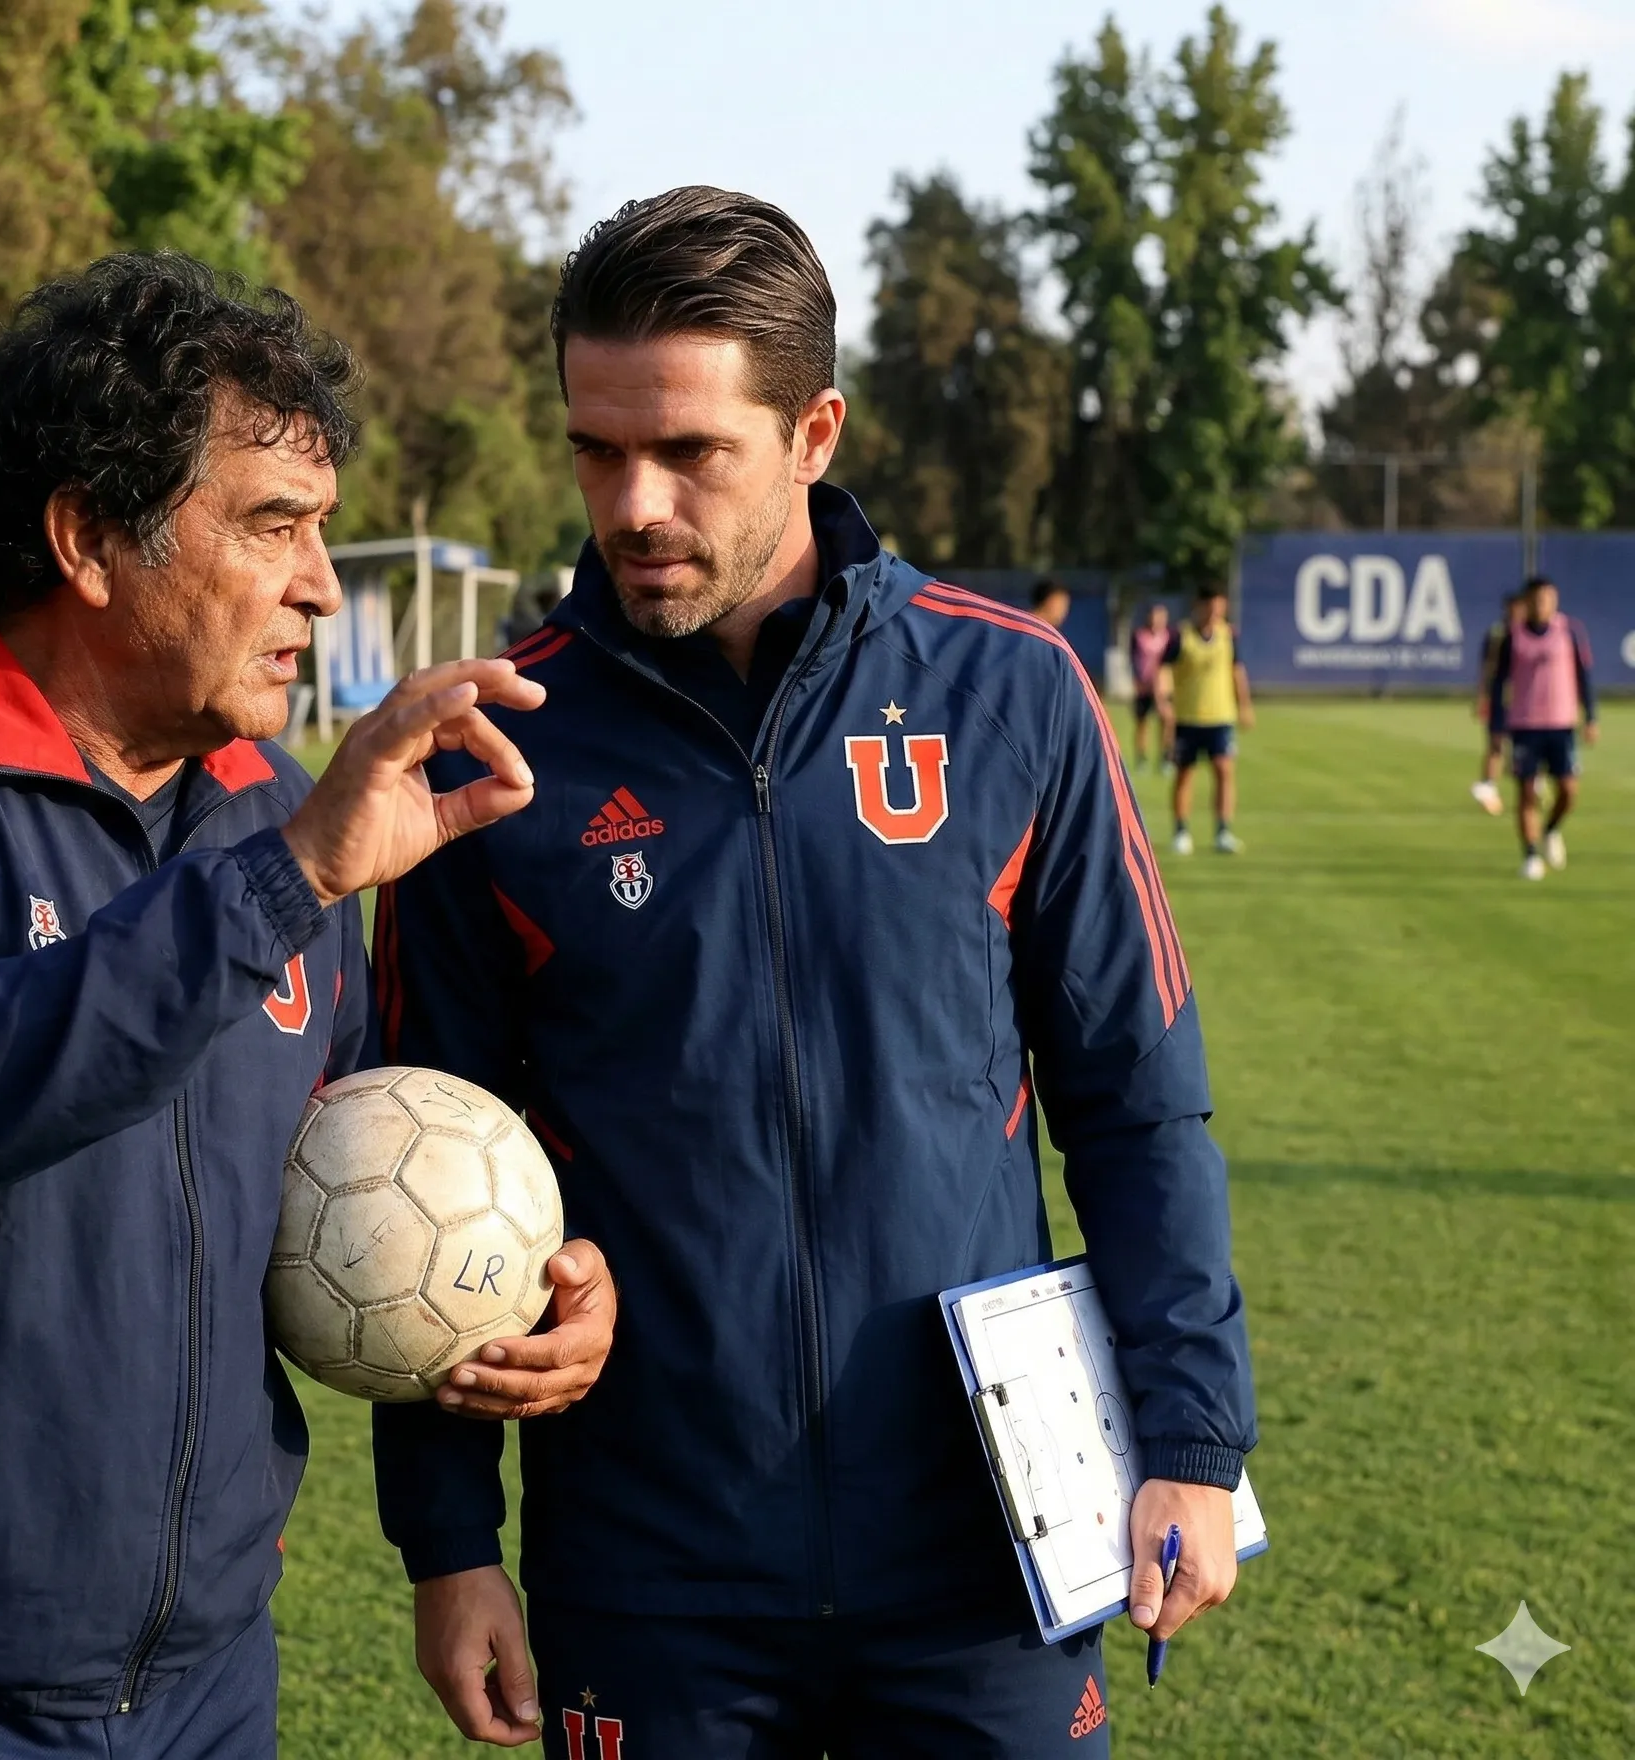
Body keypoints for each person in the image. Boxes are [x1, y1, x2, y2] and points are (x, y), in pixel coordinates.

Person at [0, 255, 615, 1760]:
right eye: (272, 526)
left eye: (324, 532)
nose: (319, 583)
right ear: (88, 537)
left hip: (201, 1683)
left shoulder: (269, 817)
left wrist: (515, 1298)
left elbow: (355, 1178)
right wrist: (292, 877)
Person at [374, 188, 1251, 1760]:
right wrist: (448, 1544)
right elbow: (413, 1174)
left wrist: (1188, 1433)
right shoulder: (494, 752)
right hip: (650, 1569)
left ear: (814, 432)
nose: (633, 503)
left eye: (691, 451)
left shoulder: (1012, 693)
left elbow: (1137, 1108)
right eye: (596, 448)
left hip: (985, 1558)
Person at [1488, 574, 1596, 879]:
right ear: (1528, 602)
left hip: (1562, 723)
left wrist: (1591, 718)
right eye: (1537, 599)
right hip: (1525, 724)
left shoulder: (1569, 631)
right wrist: (1497, 727)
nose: (1542, 605)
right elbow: (1500, 683)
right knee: (1526, 793)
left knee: (1568, 790)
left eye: (1548, 599)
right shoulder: (1514, 636)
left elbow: (1584, 677)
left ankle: (1551, 830)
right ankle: (1531, 855)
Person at [1164, 585, 1253, 854]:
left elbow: (1237, 671)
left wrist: (1245, 704)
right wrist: (1165, 701)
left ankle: (1223, 831)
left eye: (1220, 607)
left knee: (1224, 772)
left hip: (1221, 717)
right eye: (1211, 606)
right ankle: (1181, 831)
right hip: (1188, 717)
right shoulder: (1182, 636)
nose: (1215, 612)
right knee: (1184, 775)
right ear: (1199, 606)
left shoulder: (1228, 636)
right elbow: (1164, 670)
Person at [1469, 586, 1526, 815]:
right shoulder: (1498, 633)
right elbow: (1488, 667)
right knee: (1496, 742)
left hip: (1526, 697)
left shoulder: (1528, 632)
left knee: (1522, 745)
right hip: (1502, 696)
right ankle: (1488, 785)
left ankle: (1530, 784)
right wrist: (1482, 695)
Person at [1130, 601, 1176, 770]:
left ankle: (1166, 757)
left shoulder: (1170, 636)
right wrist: (1136, 681)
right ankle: (1141, 758)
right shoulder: (1139, 635)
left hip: (1163, 687)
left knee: (1167, 720)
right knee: (1143, 723)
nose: (1158, 619)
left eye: (1162, 616)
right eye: (1155, 615)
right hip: (1144, 686)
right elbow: (1133, 660)